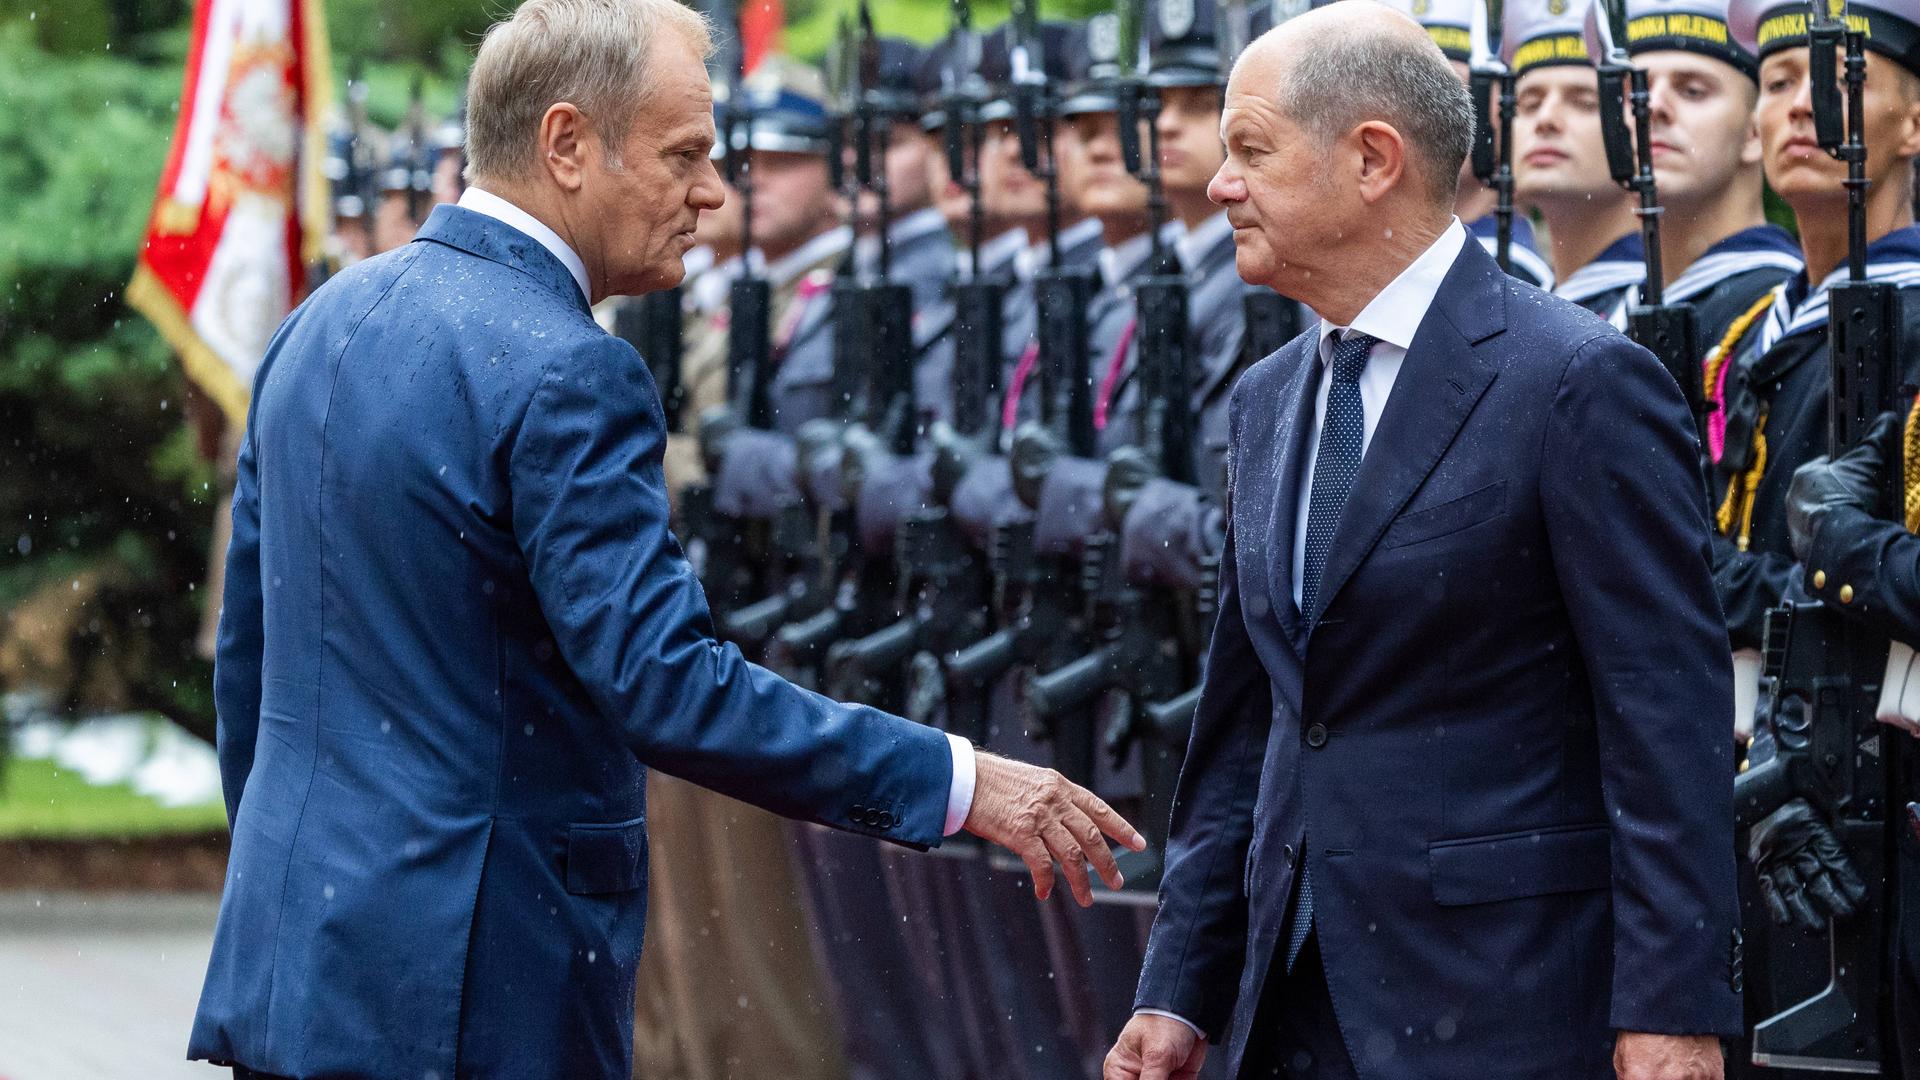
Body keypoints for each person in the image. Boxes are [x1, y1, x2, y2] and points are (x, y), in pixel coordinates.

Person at [185, 3, 1143, 1078]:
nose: (713, 192)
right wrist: (959, 782)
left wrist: (307, 878)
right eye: (684, 153)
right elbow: (669, 688)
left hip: (305, 969)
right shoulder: (566, 367)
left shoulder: (322, 323)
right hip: (472, 988)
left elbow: (252, 666)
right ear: (566, 144)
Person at [1105, 3, 1740, 1078]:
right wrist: (1178, 989)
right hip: (1292, 1004)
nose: (1220, 185)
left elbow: (1665, 718)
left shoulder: (1575, 382)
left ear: (1371, 159)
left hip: (1507, 1006)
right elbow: (1251, 724)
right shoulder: (1269, 402)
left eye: (1250, 150)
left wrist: (1674, 1008)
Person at [1599, 0, 1801, 351]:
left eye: (1692, 90)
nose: (1652, 106)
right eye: (1634, 93)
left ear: (1755, 132)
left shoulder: (1782, 318)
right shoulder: (1611, 316)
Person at [1506, 0, 1649, 313]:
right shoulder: (1528, 301)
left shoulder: (1651, 306)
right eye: (1529, 103)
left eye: (1584, 103)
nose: (1546, 119)